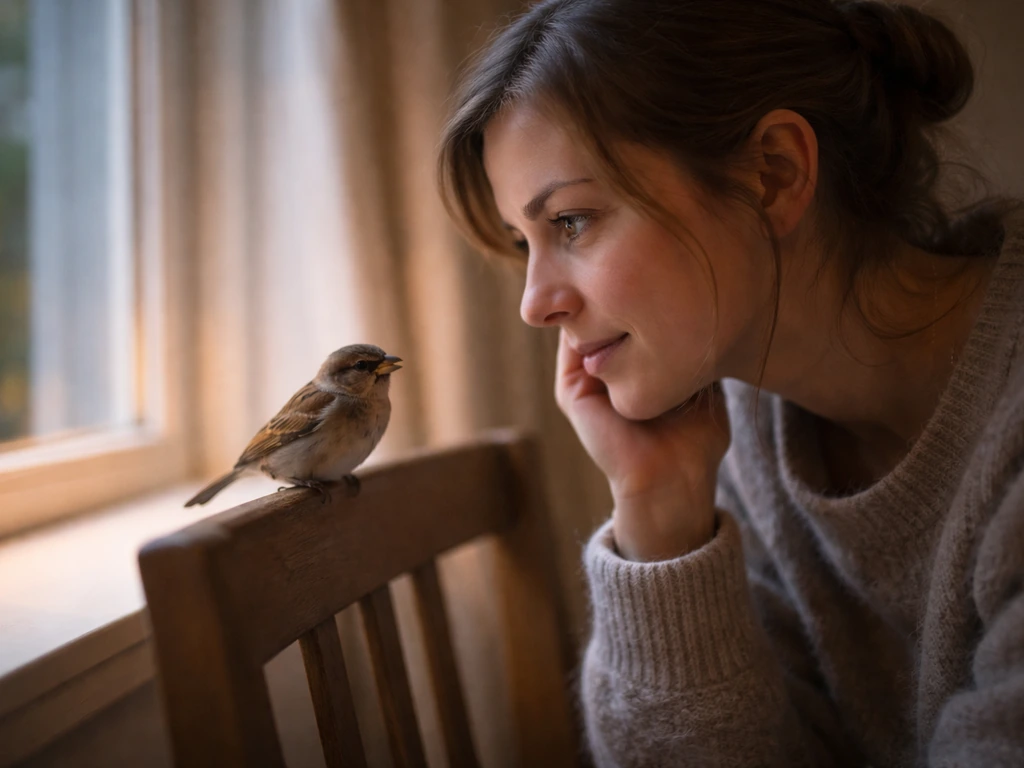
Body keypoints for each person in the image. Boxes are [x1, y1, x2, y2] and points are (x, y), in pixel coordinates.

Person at [437, 0, 1024, 764]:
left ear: (773, 174)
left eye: (572, 222)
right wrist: (658, 511)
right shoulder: (747, 434)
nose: (534, 303)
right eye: (525, 242)